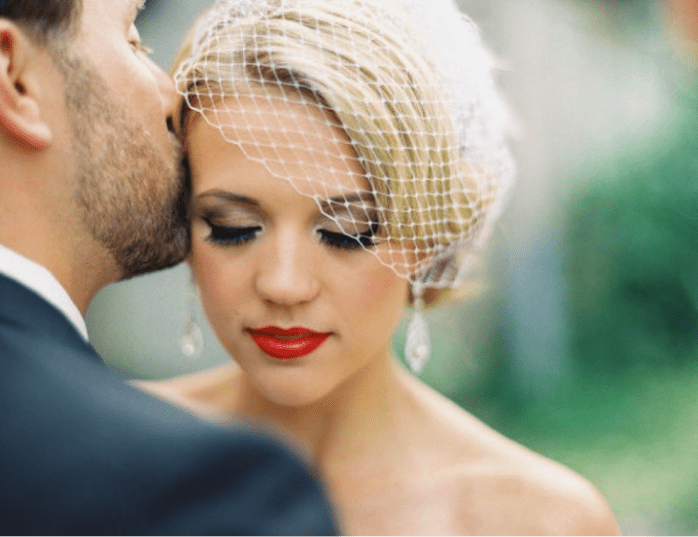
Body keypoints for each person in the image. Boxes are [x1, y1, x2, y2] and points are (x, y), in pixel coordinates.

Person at [139, 0, 622, 534]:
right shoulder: (101, 448)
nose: (283, 283)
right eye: (232, 226)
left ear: (428, 233)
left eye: (347, 234)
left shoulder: (537, 519)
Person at [0, 0, 338, 534]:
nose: (172, 97)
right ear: (15, 78)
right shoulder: (195, 491)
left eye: (343, 233)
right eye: (133, 39)